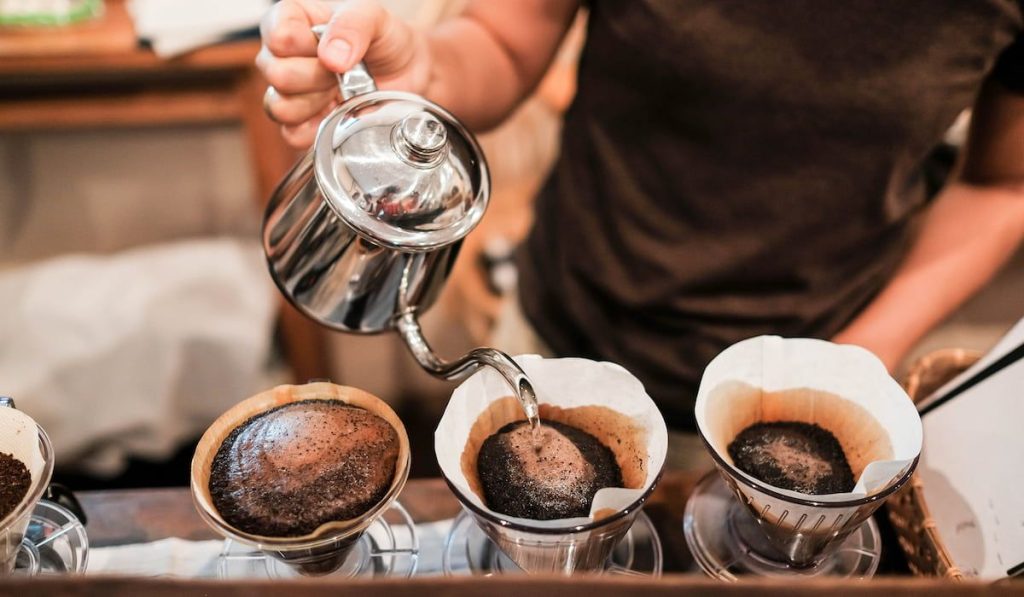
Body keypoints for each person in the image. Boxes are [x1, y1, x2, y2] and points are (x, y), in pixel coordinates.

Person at [257, 0, 1024, 466]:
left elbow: (1003, 182)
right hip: (565, 326)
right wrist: (423, 67)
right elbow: (505, 41)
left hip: (809, 384)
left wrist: (861, 354)